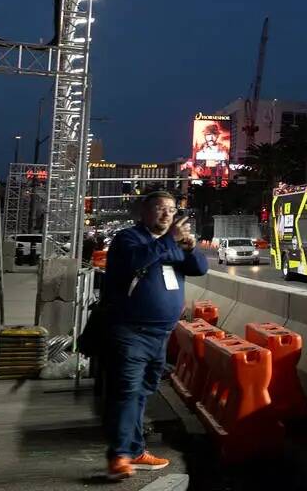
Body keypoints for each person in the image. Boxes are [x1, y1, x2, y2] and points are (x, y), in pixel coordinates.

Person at [101, 191, 208, 481]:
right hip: (130, 331)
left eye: (172, 210)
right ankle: (120, 454)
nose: (166, 215)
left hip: (161, 334)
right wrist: (169, 240)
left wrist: (190, 247)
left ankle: (134, 450)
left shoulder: (170, 243)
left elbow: (200, 269)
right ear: (143, 213)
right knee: (127, 390)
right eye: (160, 209)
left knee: (142, 392)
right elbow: (136, 262)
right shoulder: (129, 239)